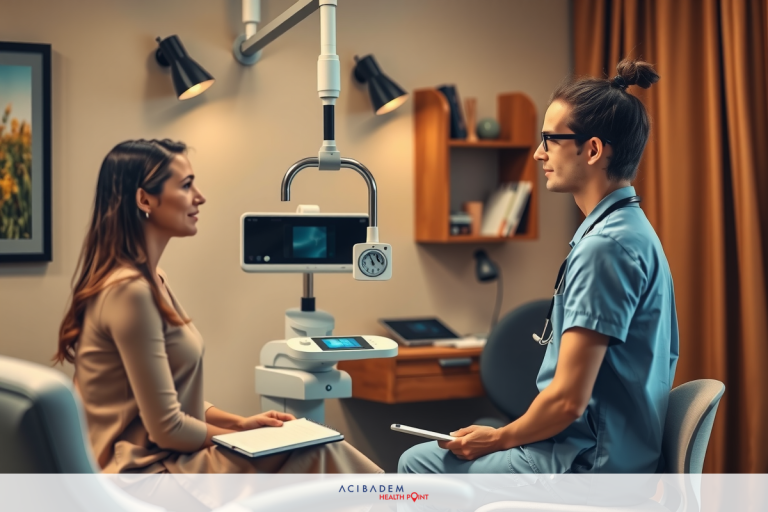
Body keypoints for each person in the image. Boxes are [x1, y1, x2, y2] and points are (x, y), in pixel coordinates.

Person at [399, 59, 679, 481]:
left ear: (593, 150)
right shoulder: (629, 231)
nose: (538, 153)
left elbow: (567, 401)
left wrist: (497, 438)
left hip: (588, 466)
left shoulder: (605, 248)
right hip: (615, 454)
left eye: (550, 139)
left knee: (416, 464)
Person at [55, 139, 381, 477]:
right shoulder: (129, 291)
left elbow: (167, 398)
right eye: (185, 185)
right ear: (144, 199)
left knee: (322, 447)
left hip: (167, 456)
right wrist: (245, 440)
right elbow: (167, 427)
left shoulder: (154, 280)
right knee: (321, 452)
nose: (200, 196)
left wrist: (238, 422)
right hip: (144, 474)